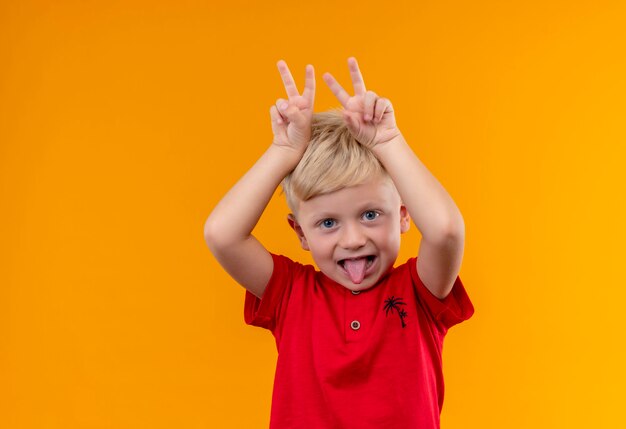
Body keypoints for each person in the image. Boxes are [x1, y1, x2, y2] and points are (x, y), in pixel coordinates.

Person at [204, 57, 474, 428]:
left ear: (404, 214)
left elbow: (445, 231)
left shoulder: (419, 292)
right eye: (328, 222)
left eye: (370, 215)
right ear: (300, 233)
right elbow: (222, 234)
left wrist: (389, 142)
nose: (352, 239)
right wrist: (282, 152)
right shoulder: (290, 293)